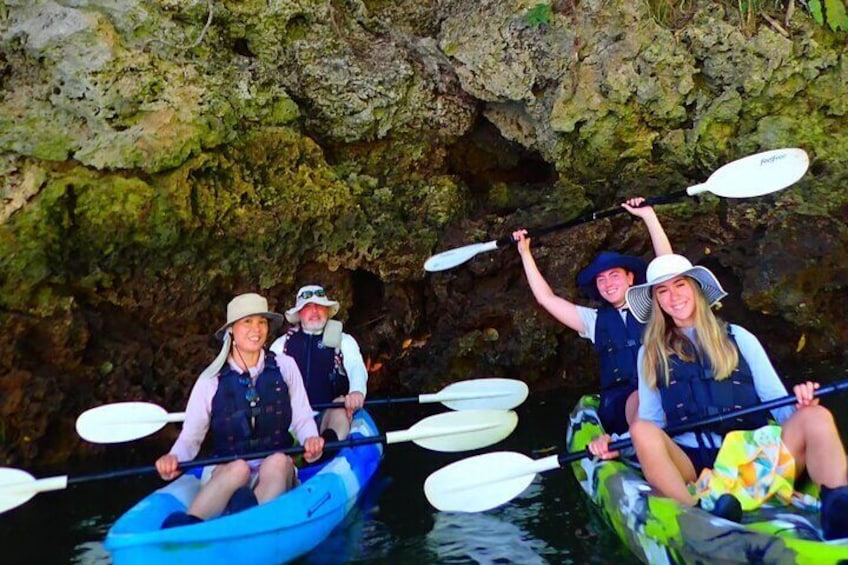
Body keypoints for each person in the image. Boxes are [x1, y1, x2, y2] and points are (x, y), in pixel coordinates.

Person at [590, 254, 848, 538]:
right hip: (694, 462)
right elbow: (651, 422)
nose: (673, 296)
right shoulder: (650, 352)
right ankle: (696, 515)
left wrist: (803, 405)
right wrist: (615, 444)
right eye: (662, 291)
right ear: (657, 301)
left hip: (753, 454)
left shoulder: (740, 337)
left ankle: (837, 514)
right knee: (641, 429)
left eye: (680, 285)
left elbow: (779, 404)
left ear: (696, 289)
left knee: (817, 417)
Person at [155, 293, 324, 528]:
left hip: (274, 469)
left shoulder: (285, 366)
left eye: (261, 322)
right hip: (227, 470)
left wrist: (311, 440)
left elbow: (302, 417)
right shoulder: (210, 380)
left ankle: (251, 522)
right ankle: (190, 524)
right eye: (247, 321)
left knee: (277, 461)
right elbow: (191, 437)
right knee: (239, 468)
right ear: (232, 329)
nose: (256, 329)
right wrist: (174, 459)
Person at [512, 197, 672, 435]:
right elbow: (547, 299)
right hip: (623, 401)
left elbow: (668, 267)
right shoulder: (593, 320)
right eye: (601, 280)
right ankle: (643, 440)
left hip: (666, 389)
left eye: (614, 275)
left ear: (630, 278)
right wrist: (525, 253)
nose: (607, 284)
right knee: (640, 399)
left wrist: (649, 216)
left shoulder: (653, 303)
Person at [269, 285, 368, 443]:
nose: (314, 311)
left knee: (340, 405)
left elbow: (356, 366)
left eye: (319, 306)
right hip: (293, 417)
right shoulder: (282, 345)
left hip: (329, 413)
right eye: (308, 307)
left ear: (327, 311)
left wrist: (357, 391)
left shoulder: (344, 341)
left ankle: (328, 446)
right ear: (299, 313)